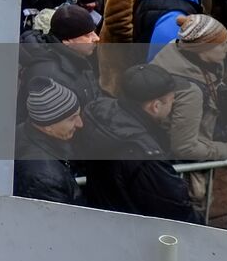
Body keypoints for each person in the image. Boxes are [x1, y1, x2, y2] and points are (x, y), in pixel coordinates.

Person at [81, 64, 201, 224]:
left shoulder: (99, 111)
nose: (172, 106)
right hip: (130, 228)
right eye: (171, 101)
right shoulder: (144, 154)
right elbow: (174, 208)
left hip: (102, 213)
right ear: (156, 106)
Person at [150, 15, 227, 212]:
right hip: (187, 172)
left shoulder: (179, 53)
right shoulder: (189, 92)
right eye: (221, 45)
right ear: (202, 49)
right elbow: (185, 147)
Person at [12, 77, 85, 206]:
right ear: (48, 126)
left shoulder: (24, 130)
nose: (80, 124)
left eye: (78, 114)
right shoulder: (45, 178)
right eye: (72, 118)